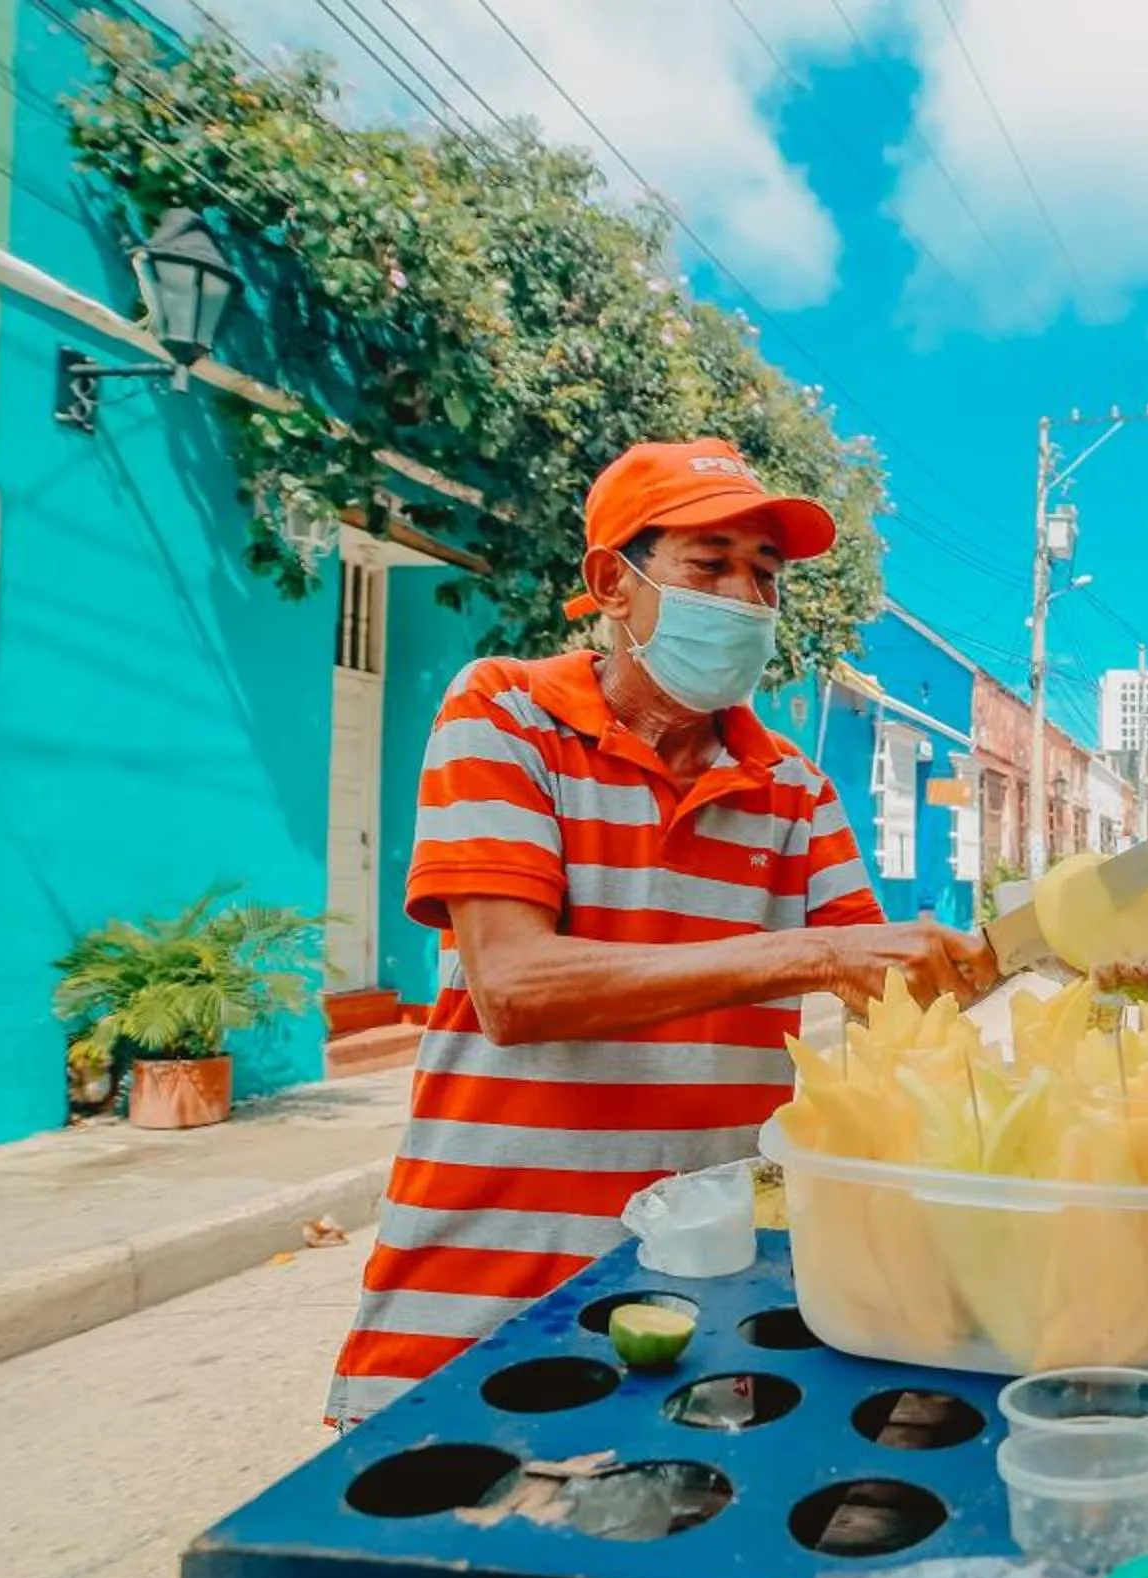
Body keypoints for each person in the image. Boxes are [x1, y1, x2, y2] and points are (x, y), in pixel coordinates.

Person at [325, 439, 999, 1428]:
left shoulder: (795, 790)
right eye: (710, 563)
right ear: (615, 583)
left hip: (699, 1313)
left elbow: (888, 997)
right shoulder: (506, 715)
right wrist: (810, 952)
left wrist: (1026, 955)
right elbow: (513, 986)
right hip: (474, 1308)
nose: (744, 599)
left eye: (764, 577)